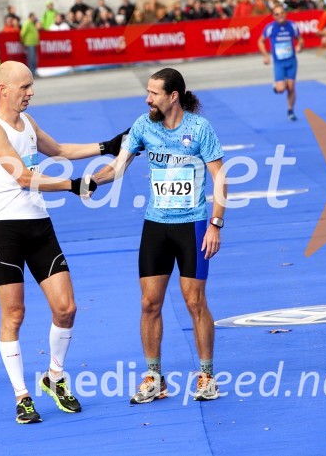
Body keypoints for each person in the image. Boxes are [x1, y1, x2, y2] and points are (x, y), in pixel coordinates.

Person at [0, 60, 127, 424]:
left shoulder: (27, 122)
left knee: (67, 308)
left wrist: (106, 146)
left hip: (39, 226)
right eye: (24, 87)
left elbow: (58, 149)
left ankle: (54, 376)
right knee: (14, 315)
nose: (31, 92)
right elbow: (23, 177)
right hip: (6, 231)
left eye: (31, 86)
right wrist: (72, 185)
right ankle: (21, 395)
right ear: (3, 90)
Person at [90, 67, 227, 406]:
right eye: (147, 92)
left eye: (153, 93)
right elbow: (118, 166)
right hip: (155, 226)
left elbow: (220, 178)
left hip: (193, 225)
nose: (147, 98)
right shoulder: (142, 126)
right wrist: (90, 182)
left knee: (194, 302)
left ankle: (207, 376)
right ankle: (154, 377)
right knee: (149, 303)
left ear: (173, 96)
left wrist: (215, 224)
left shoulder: (199, 129)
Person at [258, 4, 304, 121]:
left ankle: (290, 111)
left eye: (282, 13)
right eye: (277, 14)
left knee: (291, 87)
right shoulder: (270, 28)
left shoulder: (292, 26)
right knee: (281, 89)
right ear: (273, 16)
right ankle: (277, 87)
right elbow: (260, 41)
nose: (280, 16)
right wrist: (265, 56)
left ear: (285, 13)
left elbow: (300, 39)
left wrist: (300, 46)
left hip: (291, 61)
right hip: (279, 63)